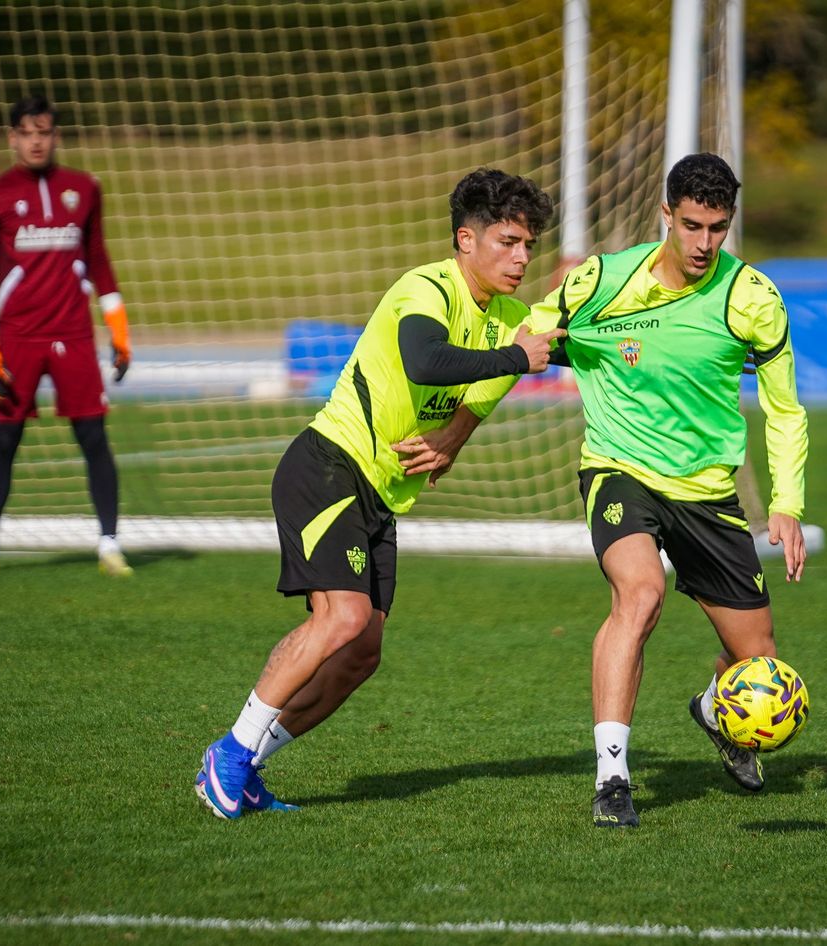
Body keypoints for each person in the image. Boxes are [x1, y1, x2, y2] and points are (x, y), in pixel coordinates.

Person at [195, 168, 564, 819]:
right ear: (466, 239)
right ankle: (227, 751)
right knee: (339, 618)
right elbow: (428, 361)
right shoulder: (426, 288)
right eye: (508, 241)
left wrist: (454, 435)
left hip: (381, 496)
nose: (521, 257)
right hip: (327, 467)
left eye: (529, 246)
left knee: (362, 653)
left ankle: (248, 764)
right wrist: (516, 358)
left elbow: (543, 356)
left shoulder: (507, 317)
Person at [523, 153, 809, 827]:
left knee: (759, 660)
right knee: (641, 593)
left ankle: (716, 710)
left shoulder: (752, 299)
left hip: (708, 493)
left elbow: (786, 408)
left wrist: (787, 503)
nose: (706, 243)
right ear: (666, 216)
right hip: (620, 470)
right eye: (692, 225)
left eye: (719, 227)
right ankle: (613, 776)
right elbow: (529, 336)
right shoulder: (601, 280)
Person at [0, 95, 135, 579]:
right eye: (27, 133)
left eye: (45, 132)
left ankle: (110, 545)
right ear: (12, 137)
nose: (36, 141)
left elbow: (99, 262)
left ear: (56, 136)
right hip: (18, 339)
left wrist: (119, 330)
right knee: (3, 440)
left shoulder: (84, 189)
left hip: (73, 334)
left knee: (94, 436)